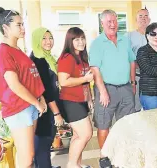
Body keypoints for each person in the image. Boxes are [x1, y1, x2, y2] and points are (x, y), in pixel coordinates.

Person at [0, 7, 47, 168]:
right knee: (27, 156)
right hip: (18, 108)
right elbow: (14, 84)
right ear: (5, 28)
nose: (23, 28)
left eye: (23, 24)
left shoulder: (17, 49)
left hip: (29, 105)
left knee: (26, 155)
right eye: (19, 25)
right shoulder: (3, 52)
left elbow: (31, 78)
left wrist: (40, 98)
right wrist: (37, 102)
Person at [89, 9, 136, 167]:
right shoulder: (97, 43)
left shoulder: (125, 40)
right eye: (108, 21)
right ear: (102, 24)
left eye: (115, 20)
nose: (112, 24)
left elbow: (132, 61)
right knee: (104, 124)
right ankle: (105, 157)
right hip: (106, 89)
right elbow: (95, 69)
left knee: (125, 124)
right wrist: (102, 91)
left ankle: (122, 153)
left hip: (126, 88)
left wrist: (133, 83)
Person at [57, 27, 94, 168]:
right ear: (69, 41)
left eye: (82, 38)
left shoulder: (82, 58)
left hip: (81, 101)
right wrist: (85, 78)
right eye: (77, 39)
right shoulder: (67, 57)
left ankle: (76, 163)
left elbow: (85, 81)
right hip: (70, 102)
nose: (81, 42)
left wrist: (89, 98)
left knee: (78, 135)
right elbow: (63, 81)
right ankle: (72, 164)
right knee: (86, 134)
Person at [30, 27, 63, 168]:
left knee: (44, 144)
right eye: (44, 38)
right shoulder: (39, 60)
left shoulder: (47, 57)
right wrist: (56, 113)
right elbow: (46, 90)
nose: (48, 41)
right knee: (42, 143)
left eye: (50, 38)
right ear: (37, 40)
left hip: (48, 108)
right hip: (45, 110)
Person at [127, 8, 151, 112]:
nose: (143, 18)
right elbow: (126, 56)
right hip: (135, 77)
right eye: (140, 16)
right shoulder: (129, 36)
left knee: (150, 107)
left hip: (151, 78)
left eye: (146, 16)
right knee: (135, 107)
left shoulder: (155, 35)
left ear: (149, 20)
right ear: (136, 20)